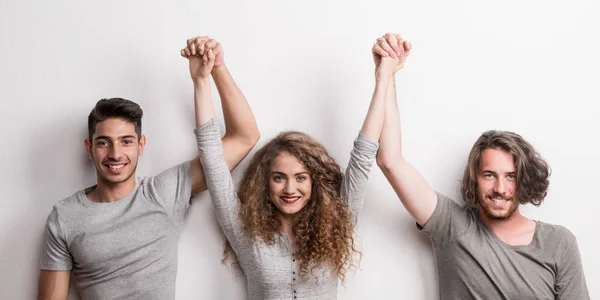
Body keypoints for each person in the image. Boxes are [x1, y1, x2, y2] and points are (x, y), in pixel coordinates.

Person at [37, 37, 260, 300]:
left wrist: (215, 70)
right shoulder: (64, 217)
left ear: (141, 145)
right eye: (104, 143)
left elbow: (245, 136)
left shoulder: (164, 192)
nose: (116, 153)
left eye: (126, 141)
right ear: (89, 148)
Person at [372, 33, 589, 300]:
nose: (500, 188)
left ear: (524, 179)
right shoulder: (453, 226)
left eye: (511, 176)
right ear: (475, 178)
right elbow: (390, 160)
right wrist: (386, 75)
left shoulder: (559, 243)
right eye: (489, 175)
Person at [192, 38, 400, 299]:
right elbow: (212, 160)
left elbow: (364, 154)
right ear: (265, 182)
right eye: (279, 178)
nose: (290, 189)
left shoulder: (337, 220)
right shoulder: (246, 232)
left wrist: (384, 77)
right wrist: (202, 80)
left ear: (314, 182)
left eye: (300, 177)